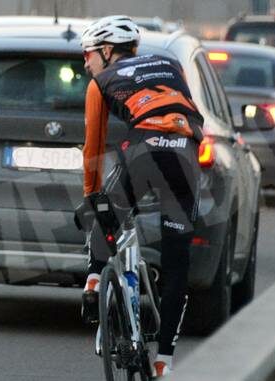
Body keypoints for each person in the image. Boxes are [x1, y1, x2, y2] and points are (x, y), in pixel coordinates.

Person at [78, 15, 204, 378]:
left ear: (105, 51)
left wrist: (91, 195)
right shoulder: (171, 62)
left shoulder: (101, 81)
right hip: (185, 153)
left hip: (144, 151)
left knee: (104, 210)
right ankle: (164, 360)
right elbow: (186, 111)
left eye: (88, 53)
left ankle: (95, 279)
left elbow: (93, 147)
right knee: (177, 258)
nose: (86, 62)